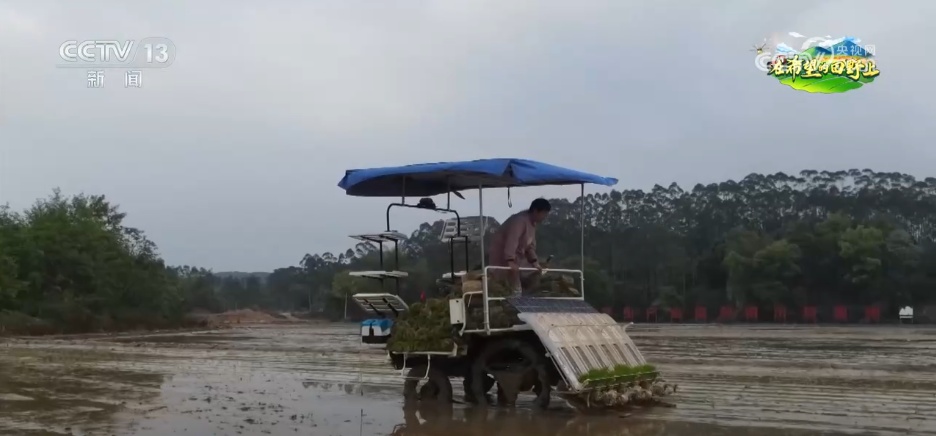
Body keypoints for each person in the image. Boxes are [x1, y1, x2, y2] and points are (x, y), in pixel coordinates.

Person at [488, 198, 551, 294]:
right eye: (544, 214)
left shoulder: (532, 224)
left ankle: (526, 298)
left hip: (519, 258)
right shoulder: (519, 221)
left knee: (534, 274)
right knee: (512, 282)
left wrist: (534, 262)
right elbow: (512, 240)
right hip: (503, 258)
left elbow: (530, 246)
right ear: (535, 211)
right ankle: (514, 302)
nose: (545, 217)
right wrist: (510, 260)